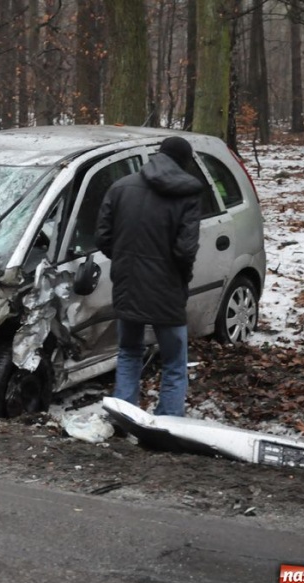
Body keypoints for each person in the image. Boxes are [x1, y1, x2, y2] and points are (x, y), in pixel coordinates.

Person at [96, 136, 202, 416]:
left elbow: (103, 237)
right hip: (167, 291)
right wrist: (180, 280)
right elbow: (185, 251)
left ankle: (124, 414)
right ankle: (168, 422)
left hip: (127, 287)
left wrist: (123, 261)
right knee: (174, 365)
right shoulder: (188, 194)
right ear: (183, 162)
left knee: (129, 353)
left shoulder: (120, 188)